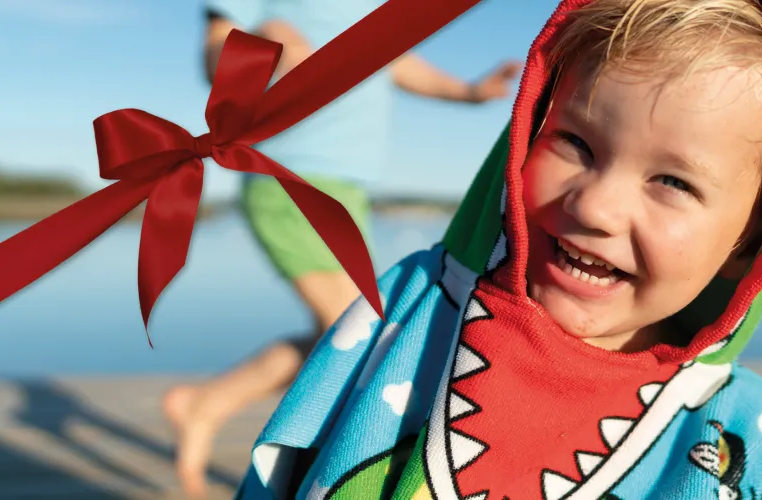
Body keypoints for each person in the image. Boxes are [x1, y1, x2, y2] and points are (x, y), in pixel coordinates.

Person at [233, 0, 762, 498]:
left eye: (673, 181)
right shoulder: (410, 308)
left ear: (754, 242)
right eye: (576, 143)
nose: (594, 206)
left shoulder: (747, 443)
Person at [161, 1, 521, 497]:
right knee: (360, 332)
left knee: (346, 330)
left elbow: (393, 59)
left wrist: (466, 92)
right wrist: (262, 40)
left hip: (348, 189)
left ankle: (207, 403)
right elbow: (216, 52)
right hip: (287, 177)